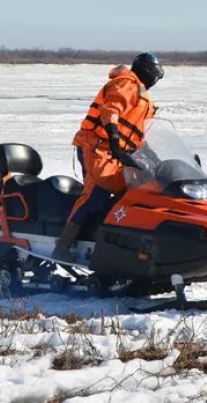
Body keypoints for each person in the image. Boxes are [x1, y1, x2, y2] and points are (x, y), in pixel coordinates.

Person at [52, 53, 164, 261]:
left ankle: (113, 238)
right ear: (149, 71)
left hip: (118, 153)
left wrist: (156, 158)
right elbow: (110, 110)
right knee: (97, 193)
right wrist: (113, 138)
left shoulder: (144, 99)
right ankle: (63, 245)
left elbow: (140, 134)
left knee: (135, 189)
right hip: (98, 147)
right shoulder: (126, 84)